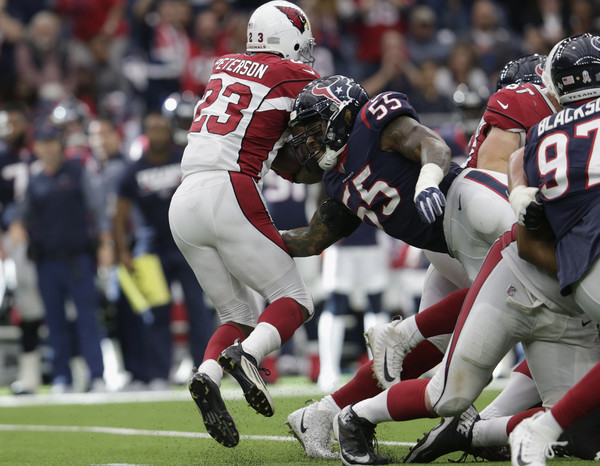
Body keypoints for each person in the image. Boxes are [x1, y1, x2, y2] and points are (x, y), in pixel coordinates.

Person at [279, 73, 516, 457]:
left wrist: (427, 181)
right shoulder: (338, 183)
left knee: (511, 306)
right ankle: (325, 412)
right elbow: (312, 239)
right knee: (425, 352)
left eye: (314, 127)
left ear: (341, 115)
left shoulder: (375, 121)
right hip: (445, 249)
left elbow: (430, 145)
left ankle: (488, 421)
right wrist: (253, 237)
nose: (309, 139)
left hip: (465, 209)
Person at [167, 0, 320, 448]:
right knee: (295, 299)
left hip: (184, 197)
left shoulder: (222, 64)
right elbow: (326, 114)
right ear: (288, 38)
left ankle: (207, 373)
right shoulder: (294, 75)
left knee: (238, 314)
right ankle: (247, 356)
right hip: (230, 188)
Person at [508, 32, 600, 465]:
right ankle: (542, 428)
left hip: (577, 267)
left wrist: (516, 189)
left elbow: (515, 160)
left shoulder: (539, 135)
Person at [114, 112, 213, 390]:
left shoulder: (184, 160)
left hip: (187, 243)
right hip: (150, 249)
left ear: (169, 132)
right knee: (156, 313)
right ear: (145, 134)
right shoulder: (132, 170)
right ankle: (159, 373)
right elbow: (119, 215)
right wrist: (122, 251)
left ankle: (204, 368)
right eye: (152, 129)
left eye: (161, 128)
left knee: (198, 308)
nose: (157, 134)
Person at [22, 121, 111, 393]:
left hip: (77, 258)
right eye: (43, 144)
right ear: (36, 147)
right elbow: (23, 214)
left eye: (52, 143)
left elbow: (97, 206)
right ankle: (62, 376)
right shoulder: (35, 180)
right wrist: (15, 224)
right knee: (54, 320)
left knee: (87, 318)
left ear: (59, 145)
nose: (48, 149)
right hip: (47, 260)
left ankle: (97, 375)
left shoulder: (76, 171)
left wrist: (105, 241)